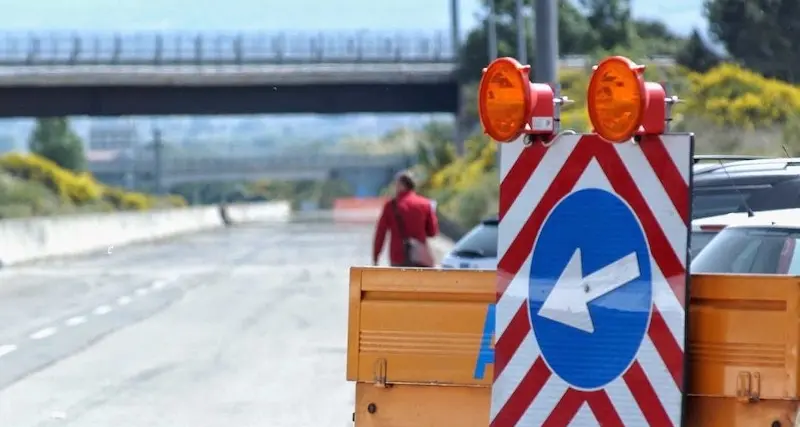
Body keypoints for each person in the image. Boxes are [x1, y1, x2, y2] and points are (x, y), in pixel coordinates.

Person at [373, 170, 439, 267]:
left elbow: (381, 233)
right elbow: (432, 232)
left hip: (398, 257)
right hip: (419, 257)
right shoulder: (425, 204)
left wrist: (376, 255)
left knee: (400, 282)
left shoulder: (391, 206)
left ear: (401, 185)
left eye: (396, 184)